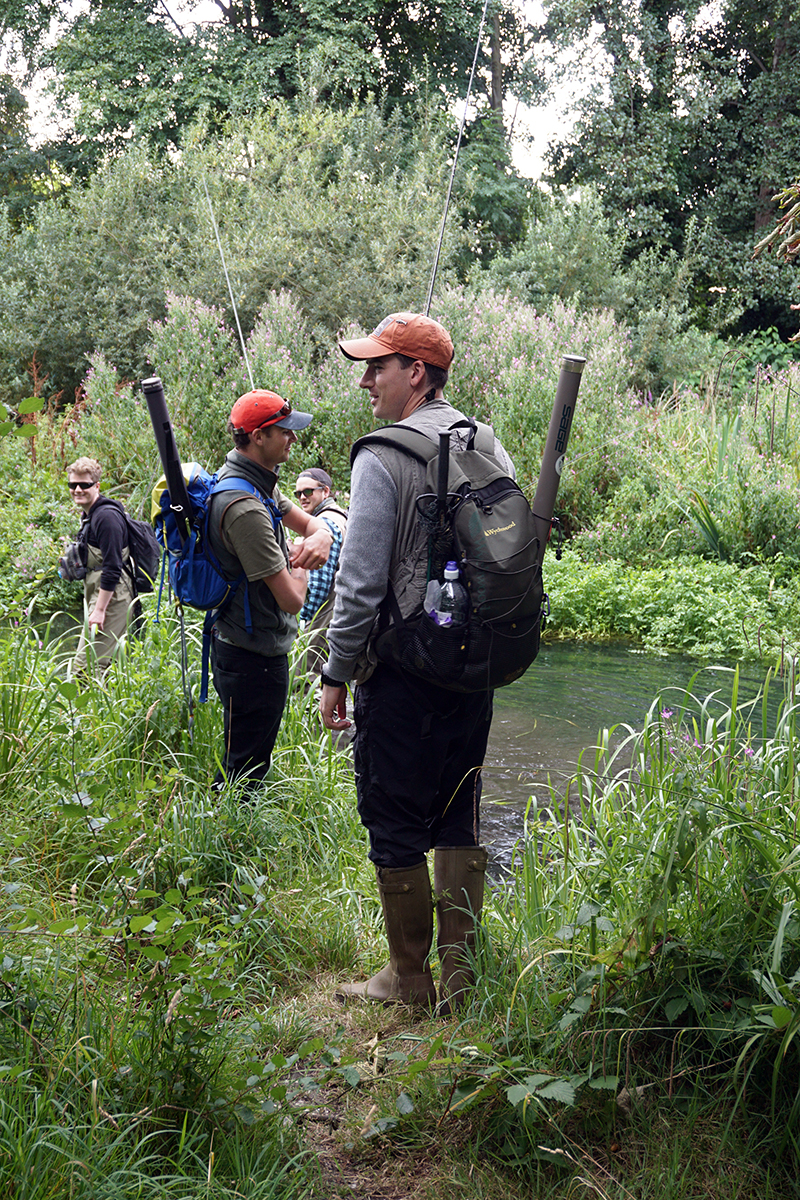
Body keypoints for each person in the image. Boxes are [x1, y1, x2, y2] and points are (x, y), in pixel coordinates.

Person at [319, 312, 517, 1013]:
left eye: (379, 365)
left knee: (394, 817)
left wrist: (336, 670)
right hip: (473, 667)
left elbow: (361, 578)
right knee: (458, 812)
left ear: (419, 374)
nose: (367, 379)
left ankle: (407, 982)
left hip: (401, 671)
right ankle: (462, 983)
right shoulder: (487, 441)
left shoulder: (381, 454)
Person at [207, 389, 333, 793]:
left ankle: (228, 831)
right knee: (244, 771)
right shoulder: (245, 507)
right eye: (285, 432)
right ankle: (228, 843)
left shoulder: (259, 484)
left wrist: (319, 539)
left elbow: (312, 526)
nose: (293, 439)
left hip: (250, 647)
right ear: (258, 437)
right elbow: (292, 600)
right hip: (251, 657)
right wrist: (307, 562)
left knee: (245, 758)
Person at [63, 457, 141, 678]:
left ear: (96, 485)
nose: (77, 489)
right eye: (72, 485)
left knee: (89, 667)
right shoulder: (91, 514)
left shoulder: (106, 517)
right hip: (99, 594)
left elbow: (113, 567)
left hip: (113, 596)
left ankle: (93, 711)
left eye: (84, 485)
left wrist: (99, 609)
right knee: (97, 662)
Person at [293, 467, 348, 678]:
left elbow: (316, 584)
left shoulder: (325, 523)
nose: (302, 498)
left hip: (321, 621)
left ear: (325, 491)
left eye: (308, 492)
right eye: (298, 494)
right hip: (338, 618)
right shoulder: (340, 516)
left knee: (306, 684)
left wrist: (304, 623)